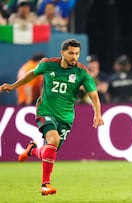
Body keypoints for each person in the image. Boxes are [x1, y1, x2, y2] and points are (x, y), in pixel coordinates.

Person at [0, 39, 104, 195]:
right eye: (70, 53)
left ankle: (32, 150)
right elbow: (31, 74)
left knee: (50, 150)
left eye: (77, 54)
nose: (74, 57)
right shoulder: (48, 64)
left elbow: (93, 94)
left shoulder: (82, 72)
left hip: (66, 117)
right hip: (45, 111)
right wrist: (13, 86)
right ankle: (45, 184)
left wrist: (97, 113)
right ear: (62, 53)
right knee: (53, 141)